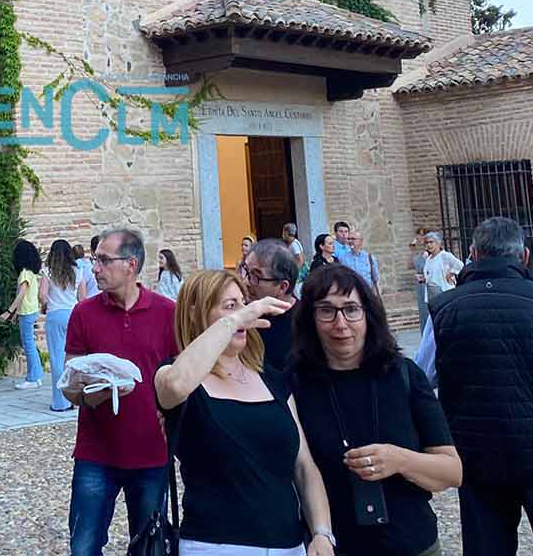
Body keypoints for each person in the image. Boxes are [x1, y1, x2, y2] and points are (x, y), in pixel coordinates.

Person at [416, 216, 533, 556]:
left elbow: (421, 379)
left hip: (478, 456)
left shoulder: (444, 308)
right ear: (525, 256)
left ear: (473, 254)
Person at [155, 269, 336, 556]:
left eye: (243, 303)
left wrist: (322, 534)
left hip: (288, 545)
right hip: (214, 545)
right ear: (194, 313)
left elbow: (304, 466)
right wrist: (234, 320)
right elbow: (176, 385)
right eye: (230, 305)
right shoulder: (175, 374)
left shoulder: (272, 379)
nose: (244, 313)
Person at [292, 265, 462, 556]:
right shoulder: (294, 385)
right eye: (326, 311)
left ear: (368, 315)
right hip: (333, 548)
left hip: (412, 545)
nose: (340, 323)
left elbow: (452, 471)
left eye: (351, 309)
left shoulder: (403, 375)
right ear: (311, 319)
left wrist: (399, 460)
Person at [62, 228, 178, 556]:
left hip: (151, 453)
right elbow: (69, 385)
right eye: (94, 259)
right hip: (96, 453)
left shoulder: (167, 313)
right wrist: (89, 395)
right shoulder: (83, 313)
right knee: (83, 547)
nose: (94, 267)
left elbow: (181, 379)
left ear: (130, 265)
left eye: (102, 260)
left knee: (149, 547)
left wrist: (174, 419)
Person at [243, 238, 299, 373]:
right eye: (246, 272)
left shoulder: (305, 324)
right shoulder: (243, 316)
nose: (246, 282)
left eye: (256, 276)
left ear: (282, 287)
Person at [42, 238, 82, 411]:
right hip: (73, 314)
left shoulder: (48, 271)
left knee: (57, 358)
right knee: (74, 357)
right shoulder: (77, 271)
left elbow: (42, 295)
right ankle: (76, 399)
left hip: (55, 315)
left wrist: (45, 305)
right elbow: (83, 297)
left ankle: (60, 402)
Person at [0, 238, 44, 390]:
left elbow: (21, 294)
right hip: (29, 311)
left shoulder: (24, 273)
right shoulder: (30, 273)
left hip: (27, 312)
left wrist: (9, 312)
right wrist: (15, 315)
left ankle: (33, 378)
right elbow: (24, 296)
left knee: (29, 346)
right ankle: (36, 376)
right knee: (30, 345)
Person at [420, 233, 462, 307]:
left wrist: (451, 273)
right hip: (431, 293)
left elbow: (460, 265)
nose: (429, 245)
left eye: (431, 242)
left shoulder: (444, 255)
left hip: (443, 291)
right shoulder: (428, 259)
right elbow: (432, 275)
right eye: (427, 243)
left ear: (438, 243)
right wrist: (424, 279)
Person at [409, 230, 429, 332]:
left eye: (421, 236)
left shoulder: (430, 252)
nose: (418, 239)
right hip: (420, 286)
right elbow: (409, 265)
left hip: (428, 284)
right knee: (423, 311)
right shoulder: (419, 254)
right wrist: (412, 250)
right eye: (417, 236)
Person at [283, 222, 307, 291]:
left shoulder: (294, 244)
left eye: (283, 232)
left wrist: (294, 272)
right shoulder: (293, 243)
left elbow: (300, 260)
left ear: (286, 232)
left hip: (299, 275)